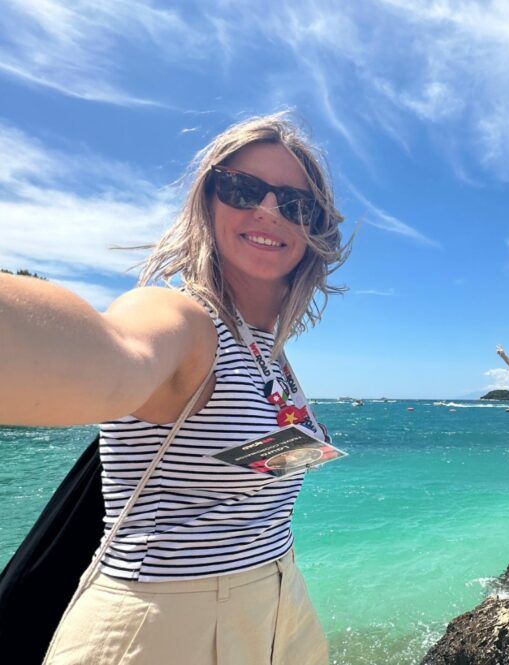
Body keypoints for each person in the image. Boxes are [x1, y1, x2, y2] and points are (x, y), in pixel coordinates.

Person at [0, 114, 347, 664]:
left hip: (279, 601)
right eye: (242, 189)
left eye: (295, 204)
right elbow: (116, 356)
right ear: (207, 201)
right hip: (166, 620)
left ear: (314, 230)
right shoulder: (183, 319)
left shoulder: (268, 349)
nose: (268, 210)